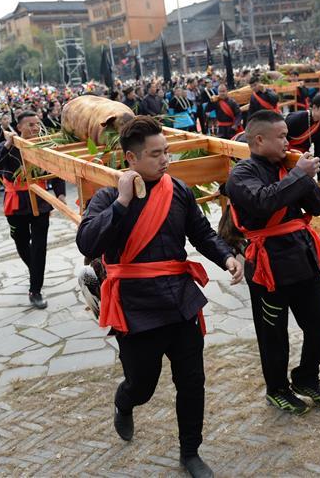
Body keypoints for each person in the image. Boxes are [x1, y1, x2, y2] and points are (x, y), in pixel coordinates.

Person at [76, 115, 242, 478]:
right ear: (131, 159)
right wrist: (121, 203)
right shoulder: (106, 197)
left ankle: (190, 452)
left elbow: (200, 233)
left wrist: (227, 256)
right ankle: (124, 401)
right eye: (155, 155)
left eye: (166, 152)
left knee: (192, 380)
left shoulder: (178, 190)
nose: (165, 160)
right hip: (135, 307)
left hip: (180, 301)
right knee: (143, 384)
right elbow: (87, 242)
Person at [225, 110, 320, 416]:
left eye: (287, 135)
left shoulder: (289, 167)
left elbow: (319, 206)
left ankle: (306, 377)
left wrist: (306, 177)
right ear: (258, 140)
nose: (288, 141)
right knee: (274, 334)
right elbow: (264, 202)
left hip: (301, 255)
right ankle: (277, 388)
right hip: (267, 263)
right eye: (282, 136)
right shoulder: (242, 174)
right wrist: (299, 174)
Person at [0, 111, 61, 309]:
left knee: (39, 246)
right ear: (18, 127)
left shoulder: (44, 145)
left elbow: (56, 169)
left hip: (40, 200)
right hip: (16, 202)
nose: (35, 128)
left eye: (37, 124)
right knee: (21, 241)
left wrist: (60, 194)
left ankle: (35, 289)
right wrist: (7, 144)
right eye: (30, 125)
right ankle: (34, 270)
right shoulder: (9, 146)